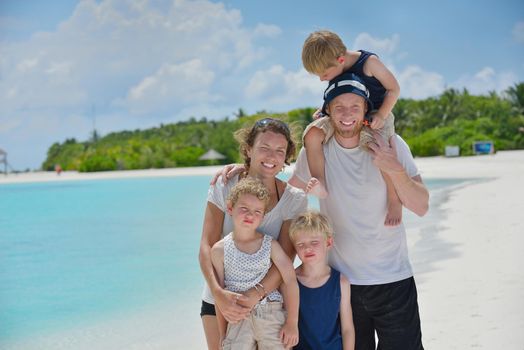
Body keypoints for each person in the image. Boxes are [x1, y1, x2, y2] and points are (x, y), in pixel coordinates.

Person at [288, 72, 429, 350]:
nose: (347, 114)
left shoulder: (391, 144)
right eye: (338, 107)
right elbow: (285, 193)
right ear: (327, 111)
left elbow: (421, 206)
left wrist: (394, 168)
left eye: (355, 106)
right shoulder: (316, 150)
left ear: (366, 108)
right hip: (342, 285)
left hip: (394, 279)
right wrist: (245, 171)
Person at [199, 117, 308, 350]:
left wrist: (253, 295)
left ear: (286, 156)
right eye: (264, 148)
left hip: (269, 308)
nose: (271, 156)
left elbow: (285, 261)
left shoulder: (294, 199)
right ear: (248, 149)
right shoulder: (224, 185)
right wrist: (219, 294)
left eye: (279, 150)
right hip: (220, 302)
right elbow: (206, 246)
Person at [301, 30, 402, 227]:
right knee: (312, 133)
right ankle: (319, 181)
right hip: (345, 117)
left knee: (382, 149)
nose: (322, 79)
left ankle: (394, 198)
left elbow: (394, 88)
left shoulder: (369, 63)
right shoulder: (335, 67)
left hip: (376, 115)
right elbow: (337, 93)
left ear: (340, 60)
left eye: (324, 75)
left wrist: (381, 114)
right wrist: (323, 111)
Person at [211, 177, 299, 349]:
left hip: (271, 314)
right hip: (237, 319)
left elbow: (290, 280)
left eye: (257, 211)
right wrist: (223, 334)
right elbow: (219, 296)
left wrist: (292, 322)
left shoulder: (270, 245)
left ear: (263, 216)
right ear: (230, 208)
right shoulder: (219, 250)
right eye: (244, 209)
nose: (250, 215)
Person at [289, 210, 355, 350]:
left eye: (314, 242)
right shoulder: (291, 281)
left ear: (329, 242)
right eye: (301, 244)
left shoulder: (341, 282)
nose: (307, 248)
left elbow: (347, 328)